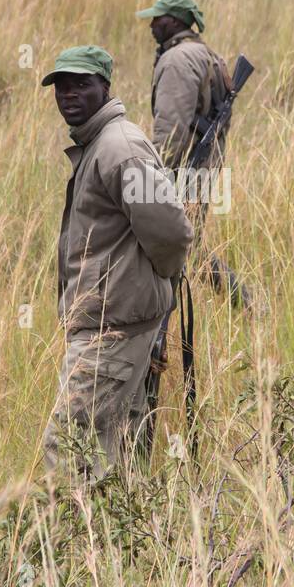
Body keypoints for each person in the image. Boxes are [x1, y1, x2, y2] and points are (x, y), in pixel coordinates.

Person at [40, 45, 194, 481]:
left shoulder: (119, 149)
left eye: (82, 84)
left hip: (113, 330)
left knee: (68, 447)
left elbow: (171, 231)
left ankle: (71, 545)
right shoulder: (102, 144)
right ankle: (119, 546)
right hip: (114, 323)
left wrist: (153, 285)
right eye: (62, 86)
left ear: (105, 87)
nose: (69, 94)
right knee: (115, 448)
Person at [136, 0, 251, 307]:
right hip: (203, 166)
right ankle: (249, 305)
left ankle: (248, 304)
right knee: (188, 248)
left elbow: (172, 130)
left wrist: (152, 176)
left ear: (173, 21)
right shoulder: (208, 55)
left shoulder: (177, 59)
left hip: (182, 169)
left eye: (157, 19)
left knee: (170, 248)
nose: (152, 26)